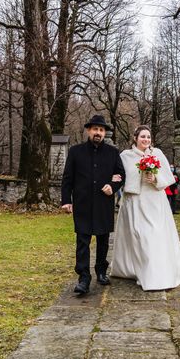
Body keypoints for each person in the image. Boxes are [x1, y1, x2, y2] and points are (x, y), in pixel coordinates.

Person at [110, 125, 180, 291]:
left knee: (153, 234)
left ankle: (154, 273)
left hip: (154, 201)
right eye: (142, 137)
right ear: (135, 138)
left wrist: (155, 178)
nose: (145, 140)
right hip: (134, 202)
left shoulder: (157, 154)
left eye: (148, 137)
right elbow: (119, 174)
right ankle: (138, 269)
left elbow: (168, 177)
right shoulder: (126, 156)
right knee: (138, 236)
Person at [61, 115, 125, 295]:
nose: (98, 133)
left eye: (101, 130)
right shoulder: (75, 151)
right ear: (89, 130)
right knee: (83, 241)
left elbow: (121, 175)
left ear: (105, 133)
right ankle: (83, 277)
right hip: (82, 203)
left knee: (103, 239)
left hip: (104, 204)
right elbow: (67, 178)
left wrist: (112, 187)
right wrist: (66, 200)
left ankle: (101, 271)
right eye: (95, 129)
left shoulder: (113, 153)